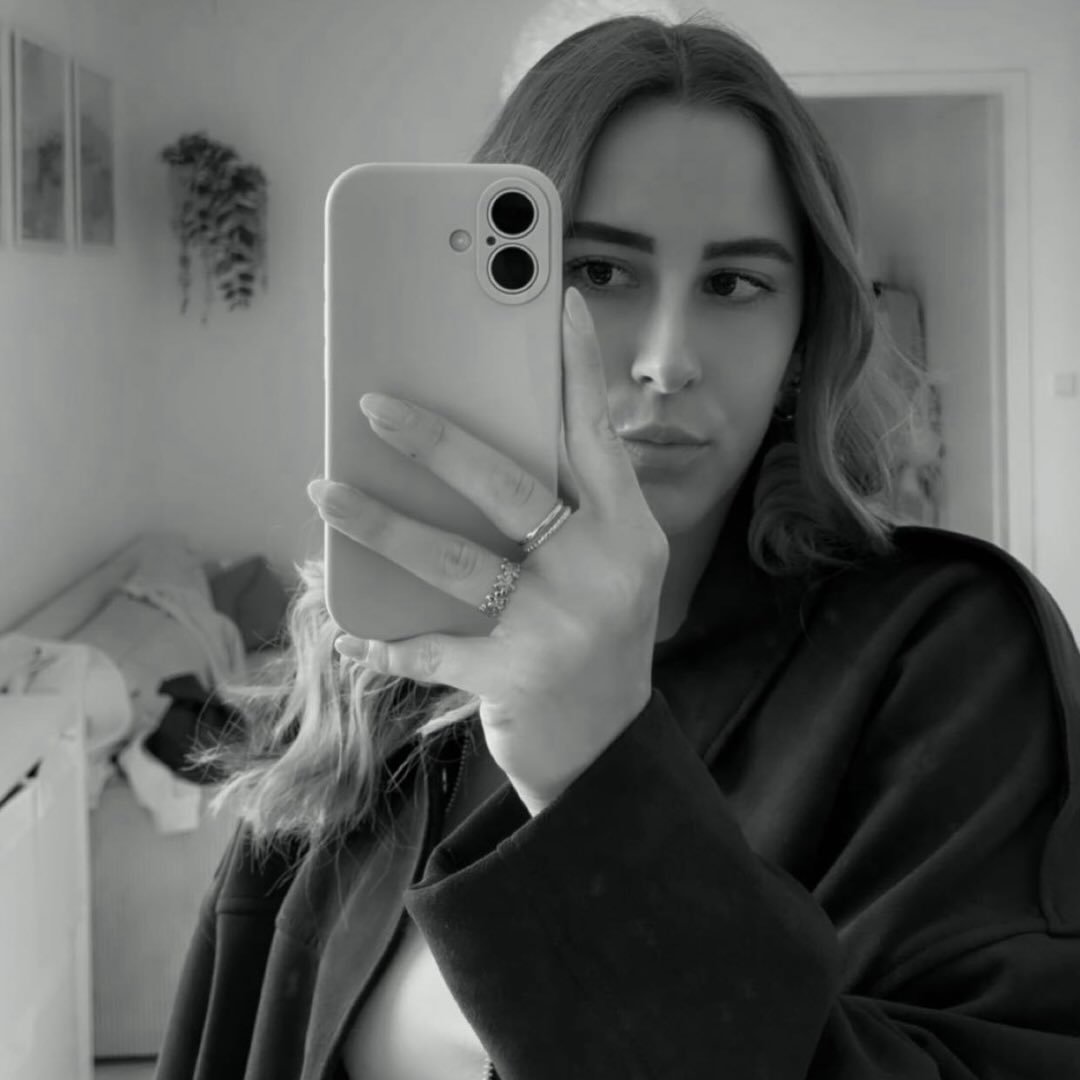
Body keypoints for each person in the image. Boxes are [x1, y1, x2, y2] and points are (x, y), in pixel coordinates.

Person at [155, 13, 1080, 1080]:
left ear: (802, 339)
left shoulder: (949, 656)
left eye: (734, 284)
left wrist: (597, 767)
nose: (666, 360)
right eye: (598, 271)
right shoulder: (387, 658)